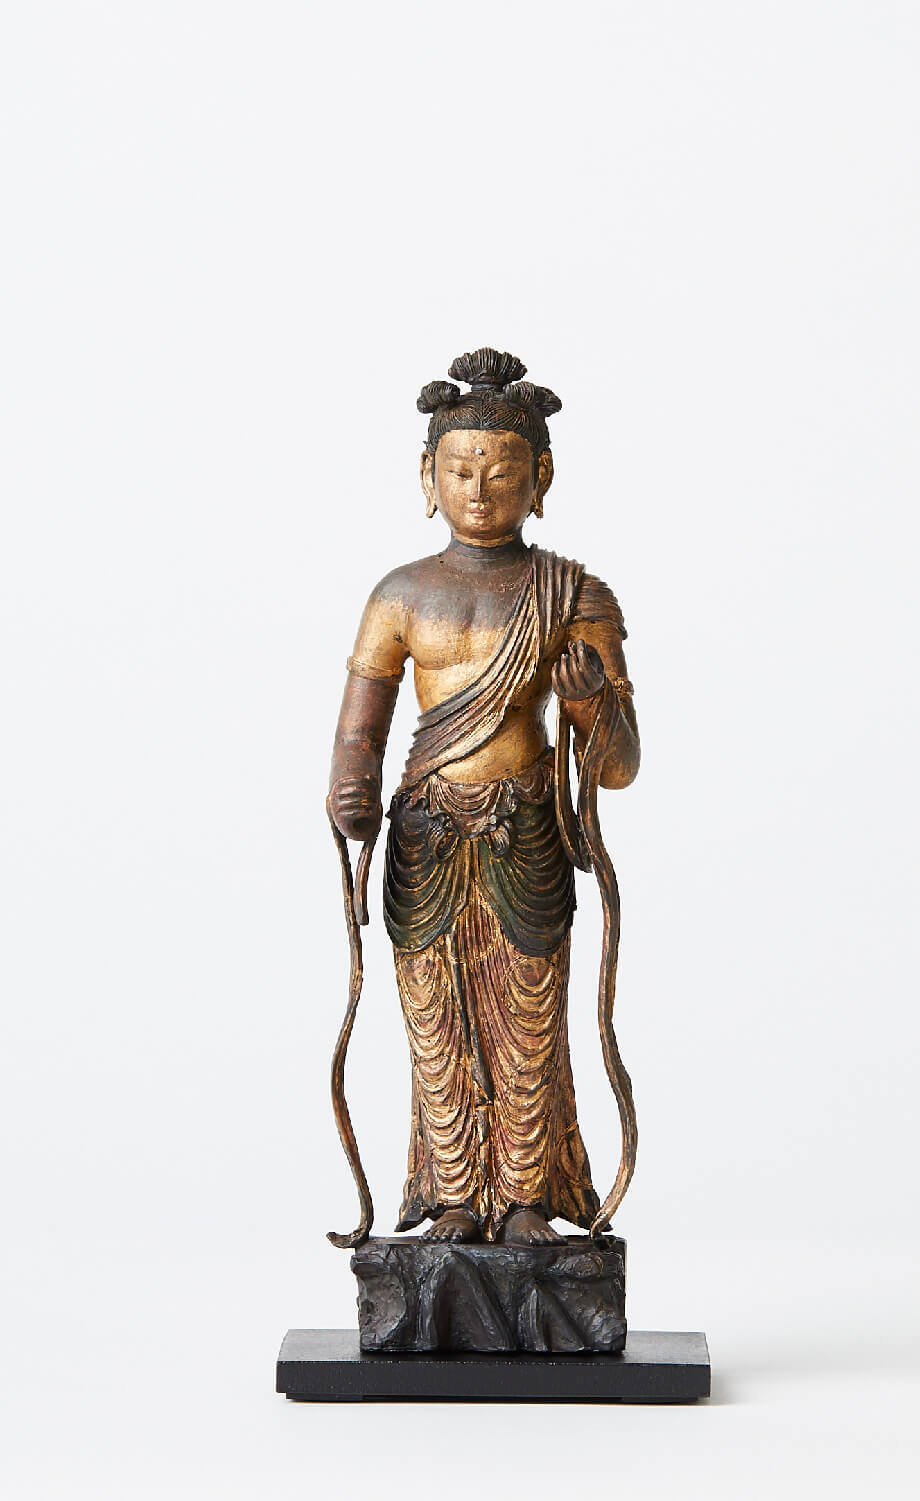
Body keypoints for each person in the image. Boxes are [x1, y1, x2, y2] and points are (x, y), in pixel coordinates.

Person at [327, 348, 640, 1246]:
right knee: (437, 1017)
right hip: (426, 832)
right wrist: (351, 792)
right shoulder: (398, 595)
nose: (479, 489)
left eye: (502, 472)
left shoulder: (574, 594)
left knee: (527, 1016)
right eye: (461, 470)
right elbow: (360, 731)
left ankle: (526, 1198)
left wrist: (591, 704)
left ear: (542, 477)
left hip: (524, 829)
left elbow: (620, 763)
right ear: (427, 475)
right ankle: (455, 1195)